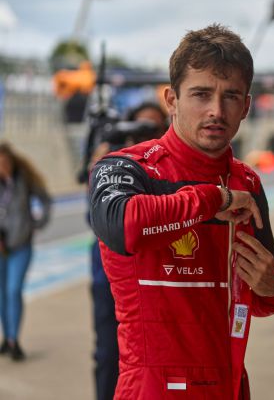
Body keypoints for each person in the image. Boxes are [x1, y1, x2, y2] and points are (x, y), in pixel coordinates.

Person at [88, 24, 274, 399]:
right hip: (152, 389)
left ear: (246, 106)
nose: (216, 111)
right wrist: (215, 199)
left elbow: (262, 297)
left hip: (230, 387)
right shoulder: (125, 168)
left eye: (231, 96)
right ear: (172, 100)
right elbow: (123, 227)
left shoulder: (247, 182)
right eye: (201, 94)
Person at [88, 101, 169, 400]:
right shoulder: (112, 162)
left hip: (159, 275)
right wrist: (98, 168)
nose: (145, 133)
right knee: (108, 353)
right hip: (108, 275)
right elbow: (95, 218)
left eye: (152, 126)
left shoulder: (171, 166)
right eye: (139, 125)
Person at [0, 141, 52, 361]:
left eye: (5, 162)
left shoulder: (24, 179)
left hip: (21, 244)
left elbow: (45, 200)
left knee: (13, 290)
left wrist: (37, 224)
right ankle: (6, 337)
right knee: (1, 294)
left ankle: (14, 340)